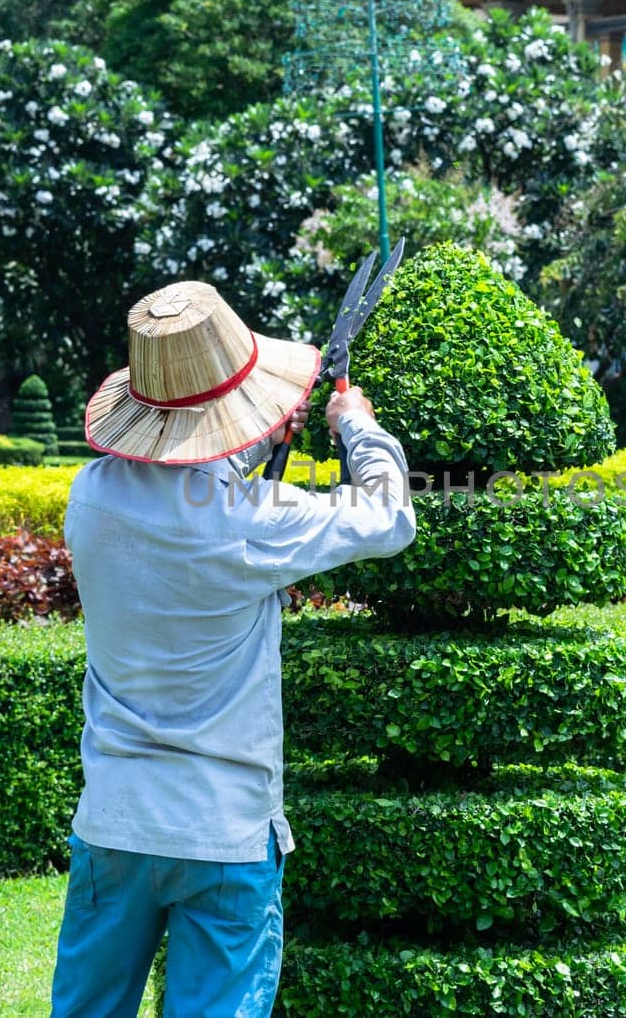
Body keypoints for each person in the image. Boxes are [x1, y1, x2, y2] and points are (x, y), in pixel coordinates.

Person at [50, 281, 416, 1018]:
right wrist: (357, 428)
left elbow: (181, 485)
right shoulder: (255, 524)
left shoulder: (89, 496)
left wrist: (260, 442)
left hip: (115, 821)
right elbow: (387, 515)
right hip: (224, 829)